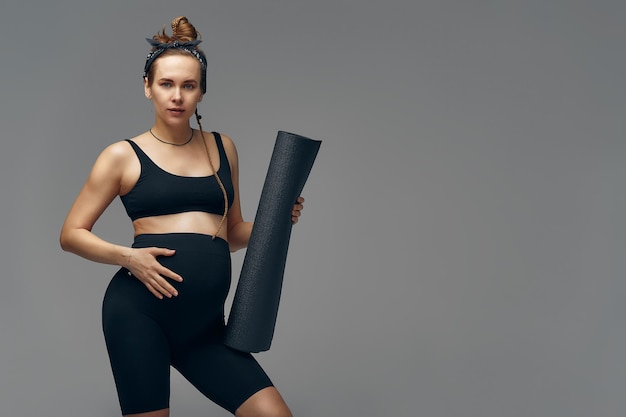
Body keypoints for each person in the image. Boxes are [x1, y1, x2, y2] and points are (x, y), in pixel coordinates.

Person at [60, 16, 303, 417]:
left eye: (188, 86)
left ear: (201, 92)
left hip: (205, 327)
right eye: (166, 84)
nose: (177, 96)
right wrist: (128, 256)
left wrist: (278, 221)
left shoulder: (223, 147)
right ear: (147, 87)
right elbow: (71, 234)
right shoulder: (122, 155)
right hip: (139, 314)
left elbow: (233, 233)